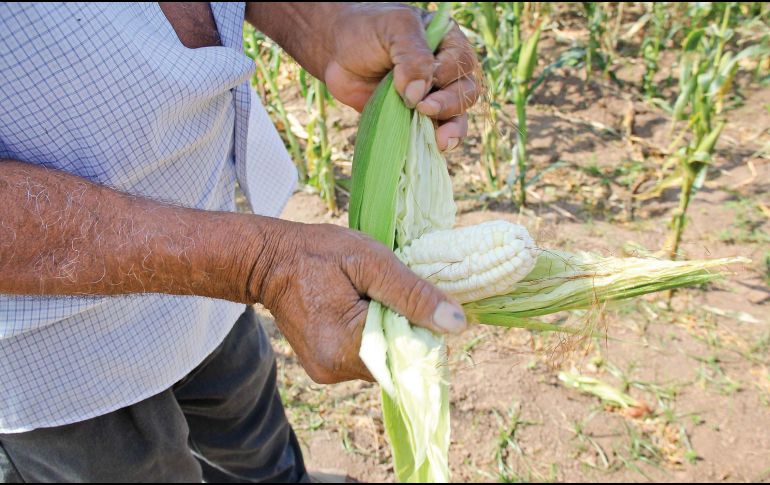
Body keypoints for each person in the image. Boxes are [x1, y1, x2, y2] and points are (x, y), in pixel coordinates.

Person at [0, 2, 479, 482]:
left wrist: (322, 23)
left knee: (258, 448)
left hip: (215, 271)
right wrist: (260, 265)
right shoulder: (257, 263)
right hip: (54, 359)